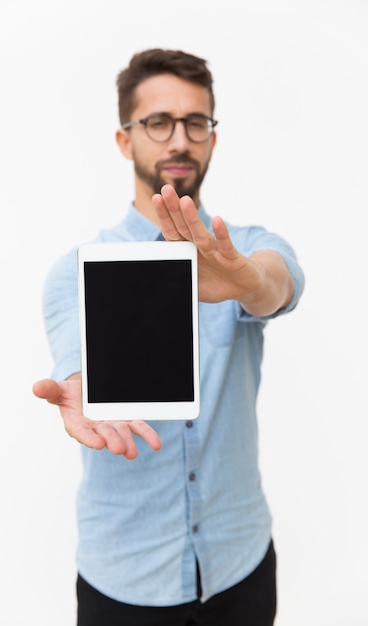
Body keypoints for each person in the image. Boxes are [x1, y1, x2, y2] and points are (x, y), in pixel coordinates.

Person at [33, 48, 305, 626]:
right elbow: (74, 357)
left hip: (240, 567)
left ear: (211, 137)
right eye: (158, 122)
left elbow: (277, 286)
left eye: (196, 122)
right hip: (126, 579)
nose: (178, 139)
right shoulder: (76, 270)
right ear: (125, 139)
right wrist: (80, 385)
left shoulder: (249, 246)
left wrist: (247, 280)